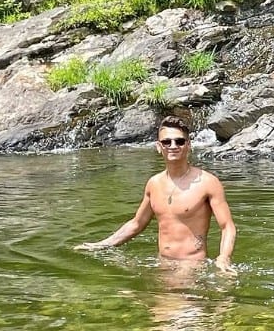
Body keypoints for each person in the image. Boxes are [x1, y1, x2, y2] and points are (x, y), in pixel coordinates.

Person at [76, 116, 237, 272]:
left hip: (191, 266)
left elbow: (227, 226)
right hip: (162, 264)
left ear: (188, 145)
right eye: (167, 142)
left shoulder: (207, 182)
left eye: (179, 141)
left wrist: (224, 257)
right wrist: (101, 245)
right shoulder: (154, 184)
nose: (173, 146)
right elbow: (137, 224)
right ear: (159, 147)